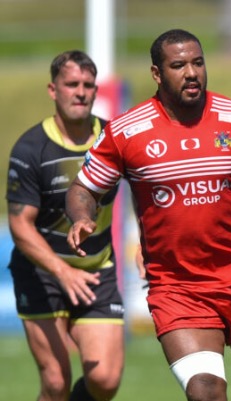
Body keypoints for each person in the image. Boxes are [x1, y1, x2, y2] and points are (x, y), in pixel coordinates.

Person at [65, 29, 231, 401]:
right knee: (205, 391)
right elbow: (83, 188)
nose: (191, 73)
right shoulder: (126, 131)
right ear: (157, 74)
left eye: (198, 63)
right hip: (177, 286)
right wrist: (82, 216)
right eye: (178, 65)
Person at [6, 50, 124, 401]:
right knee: (55, 383)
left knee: (105, 380)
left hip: (96, 270)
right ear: (53, 90)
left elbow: (148, 191)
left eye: (88, 85)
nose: (80, 92)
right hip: (42, 273)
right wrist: (62, 272)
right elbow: (20, 225)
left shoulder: (114, 138)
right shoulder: (31, 148)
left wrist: (149, 247)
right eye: (71, 84)